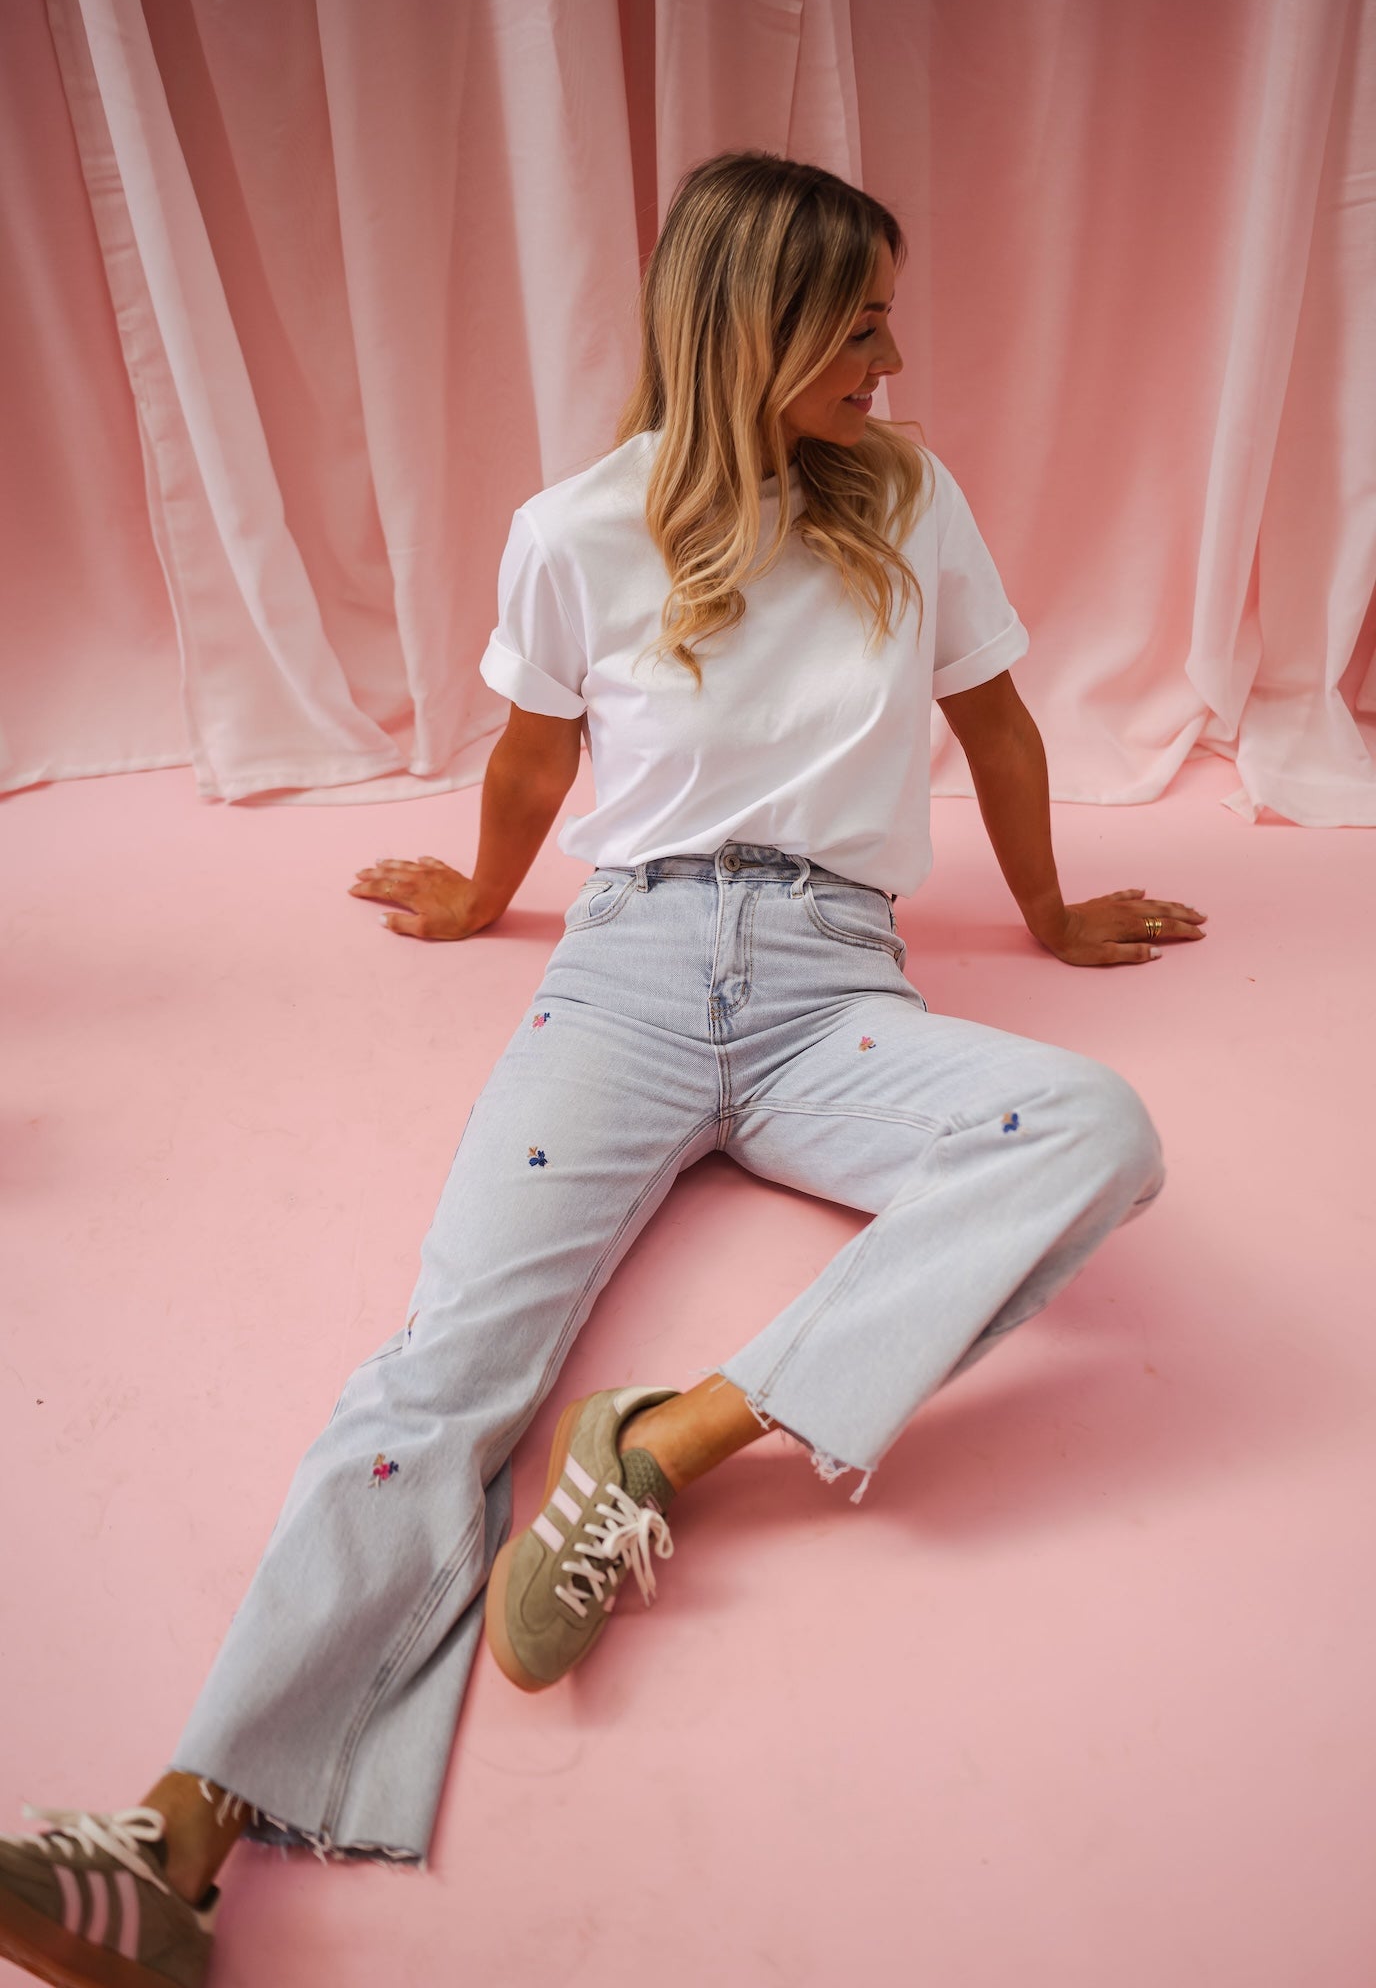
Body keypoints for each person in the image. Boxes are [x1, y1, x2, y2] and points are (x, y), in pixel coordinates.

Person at [0, 149, 1203, 1988]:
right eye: (858, 327)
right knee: (445, 1370)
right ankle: (174, 1845)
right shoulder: (573, 529)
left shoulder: (911, 497)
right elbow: (533, 758)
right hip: (623, 979)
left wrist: (1049, 916)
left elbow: (1001, 721)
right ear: (751, 330)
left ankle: (664, 1446)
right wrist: (480, 896)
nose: (891, 359)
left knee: (1093, 1124)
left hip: (832, 992)